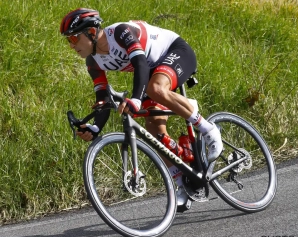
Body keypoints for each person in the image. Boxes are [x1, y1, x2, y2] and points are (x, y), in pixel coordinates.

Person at [60, 8, 223, 212]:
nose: (71, 45)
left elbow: (140, 64)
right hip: (153, 71)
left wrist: (136, 100)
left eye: (74, 39)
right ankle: (182, 182)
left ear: (91, 33)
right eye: (68, 41)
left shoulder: (120, 32)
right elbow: (102, 100)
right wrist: (94, 128)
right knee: (154, 131)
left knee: (155, 89)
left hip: (175, 52)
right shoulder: (92, 61)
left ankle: (208, 129)